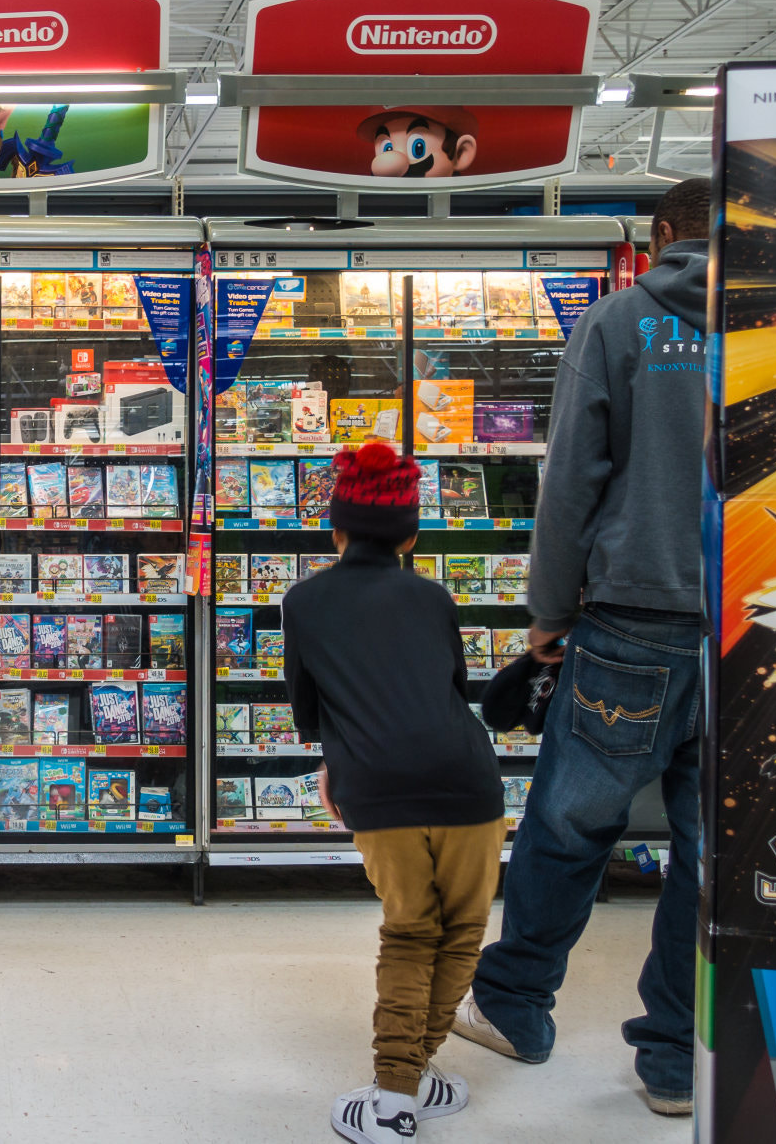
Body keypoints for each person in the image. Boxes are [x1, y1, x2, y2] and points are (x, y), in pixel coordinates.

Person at [452, 177, 712, 1117]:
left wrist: (548, 613)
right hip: (756, 627)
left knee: (569, 823)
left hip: (631, 614)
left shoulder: (620, 323)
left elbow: (570, 479)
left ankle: (517, 1004)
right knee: (709, 850)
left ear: (663, 235)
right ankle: (677, 1060)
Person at [284, 442, 506, 1143]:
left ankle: (391, 1096)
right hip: (471, 785)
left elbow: (307, 711)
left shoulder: (304, 601)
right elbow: (450, 690)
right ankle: (413, 1073)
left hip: (376, 791)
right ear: (412, 534)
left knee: (409, 931)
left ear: (335, 529)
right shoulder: (433, 596)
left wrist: (336, 764)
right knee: (463, 932)